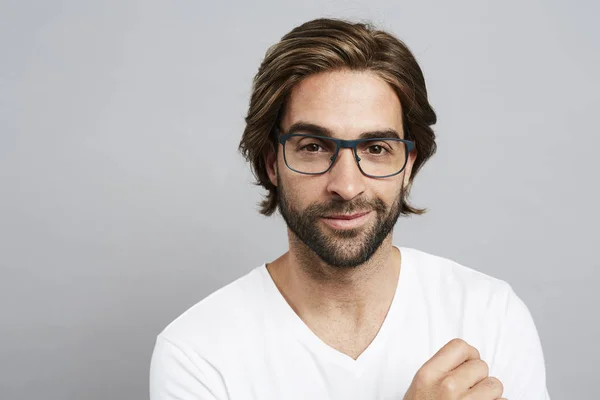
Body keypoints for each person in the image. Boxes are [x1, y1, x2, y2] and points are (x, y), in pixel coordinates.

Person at [149, 17, 550, 400]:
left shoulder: (490, 315)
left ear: (408, 165)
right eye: (313, 147)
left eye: (376, 149)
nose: (346, 185)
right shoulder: (198, 351)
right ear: (272, 163)